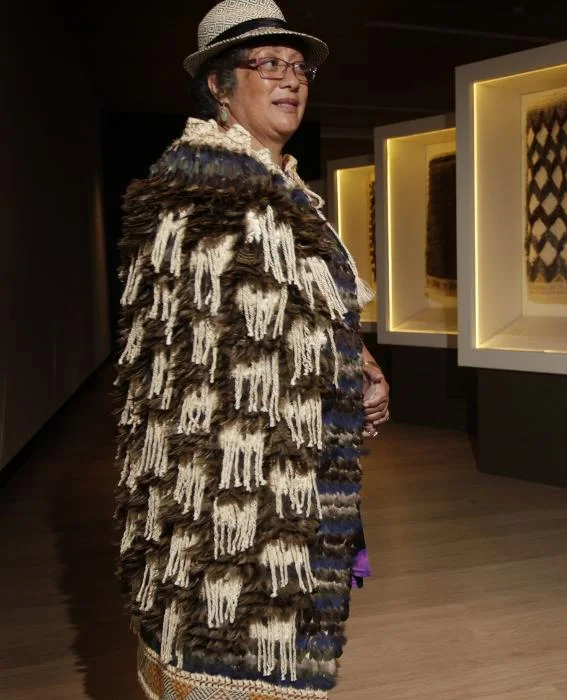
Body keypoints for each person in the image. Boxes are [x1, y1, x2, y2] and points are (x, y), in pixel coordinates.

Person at [113, 1, 389, 697]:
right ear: (218, 83)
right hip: (236, 489)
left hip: (291, 471)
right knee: (240, 641)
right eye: (267, 64)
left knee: (285, 640)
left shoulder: (285, 188)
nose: (290, 79)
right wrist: (345, 376)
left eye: (299, 66)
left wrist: (362, 365)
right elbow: (212, 350)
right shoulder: (205, 189)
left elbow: (318, 312)